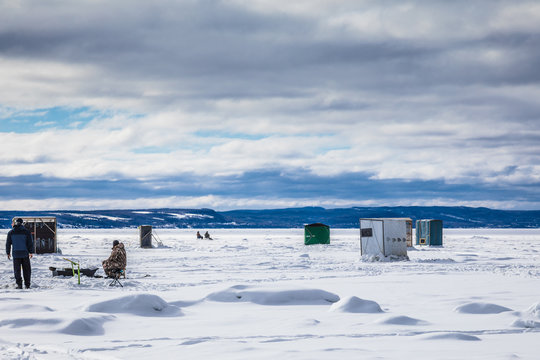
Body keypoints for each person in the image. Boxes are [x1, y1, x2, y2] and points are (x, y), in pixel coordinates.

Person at [6, 218, 34, 289]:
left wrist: (8, 252)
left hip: (16, 254)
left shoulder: (11, 232)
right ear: (22, 223)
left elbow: (8, 243)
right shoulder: (26, 232)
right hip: (25, 254)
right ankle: (27, 285)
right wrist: (31, 252)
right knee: (27, 270)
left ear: (15, 223)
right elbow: (30, 243)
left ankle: (19, 285)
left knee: (17, 270)